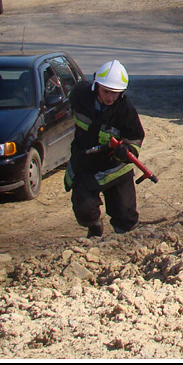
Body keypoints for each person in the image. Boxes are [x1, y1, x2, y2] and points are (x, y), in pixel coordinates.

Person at [64, 60, 145, 238]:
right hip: (85, 163)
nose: (110, 98)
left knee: (124, 214)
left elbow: (135, 136)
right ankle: (94, 228)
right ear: (96, 86)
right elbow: (65, 99)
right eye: (106, 92)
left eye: (115, 94)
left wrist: (126, 150)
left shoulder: (125, 110)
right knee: (84, 208)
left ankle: (127, 241)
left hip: (115, 167)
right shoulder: (80, 96)